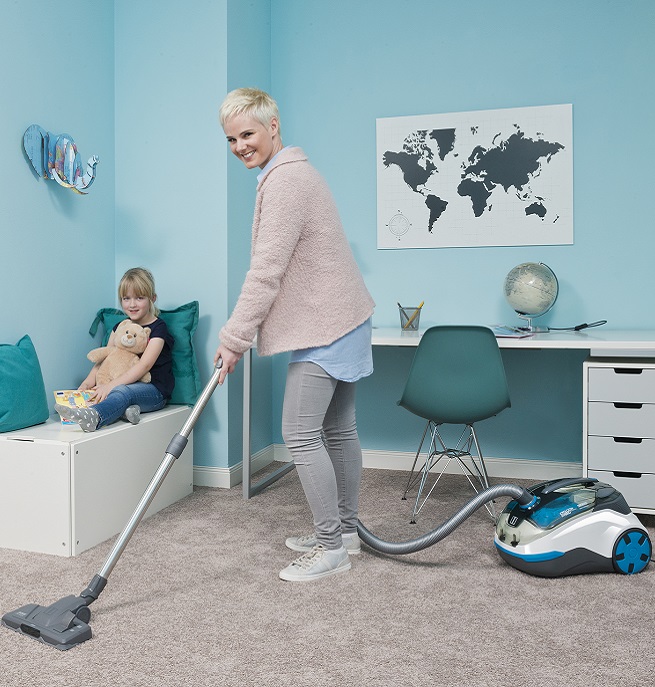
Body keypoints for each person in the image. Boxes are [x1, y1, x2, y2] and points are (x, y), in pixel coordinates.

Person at [214, 87, 375, 582]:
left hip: (327, 325)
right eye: (232, 138)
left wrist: (234, 336)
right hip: (340, 318)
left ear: (273, 127)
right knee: (337, 430)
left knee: (301, 434)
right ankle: (345, 533)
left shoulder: (285, 182)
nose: (241, 145)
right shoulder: (293, 174)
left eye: (248, 133)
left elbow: (267, 270)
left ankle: (332, 548)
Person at [55, 267, 175, 432]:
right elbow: (106, 358)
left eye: (139, 298)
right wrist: (88, 382)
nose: (132, 304)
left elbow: (144, 366)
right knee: (104, 392)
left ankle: (94, 418)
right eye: (126, 298)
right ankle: (127, 412)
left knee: (120, 391)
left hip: (154, 391)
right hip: (124, 387)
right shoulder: (120, 327)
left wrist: (110, 385)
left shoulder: (158, 328)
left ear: (152, 298)